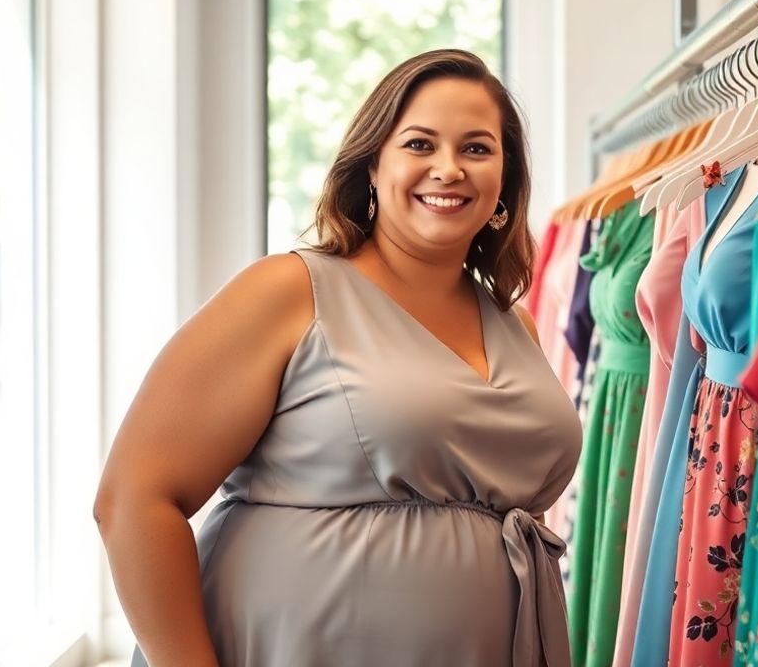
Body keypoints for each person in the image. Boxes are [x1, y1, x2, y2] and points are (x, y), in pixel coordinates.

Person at [94, 49, 582, 667]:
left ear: (506, 182)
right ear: (372, 167)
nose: (449, 168)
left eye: (477, 149)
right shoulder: (290, 291)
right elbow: (134, 498)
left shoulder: (519, 326)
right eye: (419, 144)